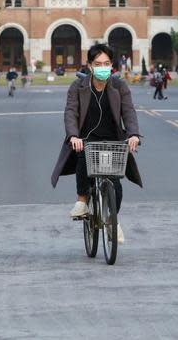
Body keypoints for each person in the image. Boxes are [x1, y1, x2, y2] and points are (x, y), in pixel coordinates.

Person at [52, 43, 141, 244]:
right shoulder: (78, 87)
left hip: (113, 140)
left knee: (115, 185)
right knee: (83, 155)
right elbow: (70, 112)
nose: (103, 67)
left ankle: (112, 220)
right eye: (98, 63)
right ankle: (82, 201)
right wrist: (73, 136)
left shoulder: (119, 86)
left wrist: (133, 134)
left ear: (112, 66)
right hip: (85, 140)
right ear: (90, 66)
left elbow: (128, 111)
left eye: (107, 63)